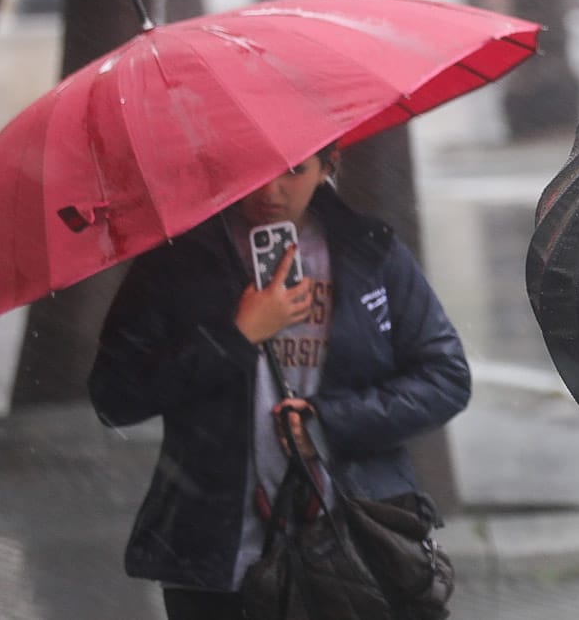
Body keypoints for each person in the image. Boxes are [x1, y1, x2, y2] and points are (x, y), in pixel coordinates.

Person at [88, 145, 471, 620]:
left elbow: (446, 377)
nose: (270, 191)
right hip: (215, 551)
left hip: (357, 540)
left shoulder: (369, 251)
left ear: (327, 166)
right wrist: (237, 336)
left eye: (293, 170)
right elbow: (115, 395)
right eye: (254, 168)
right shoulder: (179, 264)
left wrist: (328, 423)